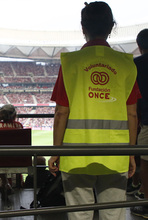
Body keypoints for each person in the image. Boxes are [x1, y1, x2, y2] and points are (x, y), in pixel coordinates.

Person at [48, 2, 139, 220]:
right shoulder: (126, 64)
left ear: (83, 28)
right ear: (110, 27)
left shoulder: (70, 63)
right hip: (116, 155)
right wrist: (131, 153)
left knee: (79, 215)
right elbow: (132, 114)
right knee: (113, 214)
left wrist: (56, 151)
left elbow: (61, 112)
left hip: (76, 155)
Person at [130, 29, 148, 218]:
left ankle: (146, 203)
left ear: (140, 46)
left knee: (145, 164)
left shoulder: (136, 65)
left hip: (146, 121)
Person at [0, 104, 23, 199]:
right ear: (14, 115)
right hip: (19, 160)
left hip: (0, 160)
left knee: (0, 156)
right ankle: (17, 185)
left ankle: (5, 183)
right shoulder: (19, 125)